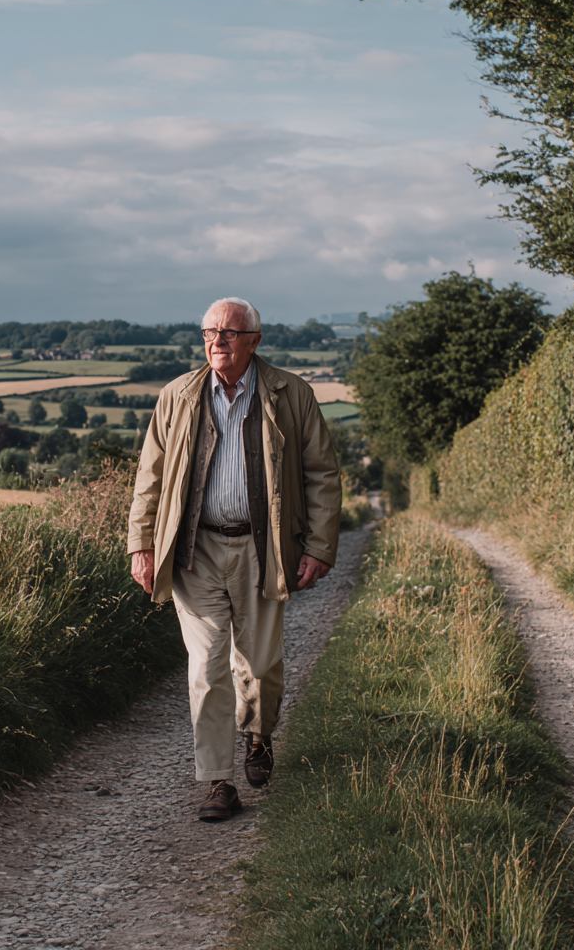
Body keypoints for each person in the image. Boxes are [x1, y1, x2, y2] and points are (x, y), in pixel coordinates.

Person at [127, 297, 341, 822]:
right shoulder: (178, 395)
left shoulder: (292, 393)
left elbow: (321, 474)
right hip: (194, 550)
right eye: (209, 332)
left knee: (260, 665)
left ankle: (259, 736)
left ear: (254, 341)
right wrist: (142, 543)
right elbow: (149, 475)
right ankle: (218, 781)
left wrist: (317, 546)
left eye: (228, 332)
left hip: (262, 547)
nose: (216, 340)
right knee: (206, 667)